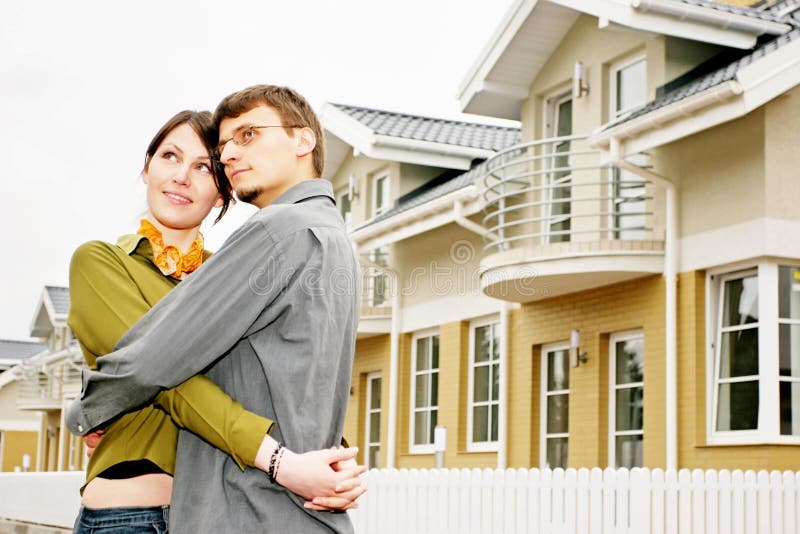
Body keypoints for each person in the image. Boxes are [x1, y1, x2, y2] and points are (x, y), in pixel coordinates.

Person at [67, 85, 361, 533]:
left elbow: (281, 375)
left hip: (220, 511)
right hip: (132, 513)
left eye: (205, 166)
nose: (182, 176)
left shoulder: (248, 263)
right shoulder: (103, 262)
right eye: (169, 157)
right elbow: (169, 383)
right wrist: (93, 403)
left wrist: (324, 457)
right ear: (145, 169)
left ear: (222, 192)